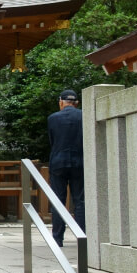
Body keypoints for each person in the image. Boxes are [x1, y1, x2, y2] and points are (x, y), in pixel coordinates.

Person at [48, 89, 84, 247]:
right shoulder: (83, 116)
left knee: (58, 200)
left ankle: (57, 238)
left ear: (61, 101)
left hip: (58, 161)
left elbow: (52, 140)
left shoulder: (53, 118)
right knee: (80, 200)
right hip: (79, 161)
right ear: (76, 103)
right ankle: (82, 236)